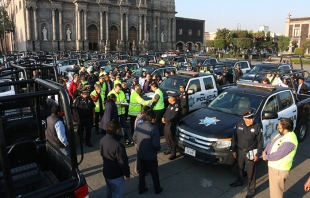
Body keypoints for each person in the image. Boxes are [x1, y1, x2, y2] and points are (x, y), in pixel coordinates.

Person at [230, 109, 263, 198]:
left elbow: (260, 142)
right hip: (240, 151)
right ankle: (239, 181)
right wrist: (233, 150)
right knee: (240, 168)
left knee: (251, 172)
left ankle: (251, 191)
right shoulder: (238, 125)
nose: (252, 120)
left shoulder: (257, 127)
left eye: (252, 118)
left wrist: (257, 154)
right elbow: (234, 138)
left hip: (251, 152)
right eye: (249, 118)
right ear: (244, 118)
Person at [263, 118, 298, 198]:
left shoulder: (290, 140)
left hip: (279, 170)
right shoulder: (282, 134)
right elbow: (271, 143)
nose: (278, 128)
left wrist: (266, 157)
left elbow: (278, 154)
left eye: (279, 127)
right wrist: (265, 151)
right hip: (275, 168)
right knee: (274, 190)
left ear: (285, 129)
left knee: (276, 193)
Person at [133, 110, 163, 195]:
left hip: (141, 154)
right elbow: (156, 144)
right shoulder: (154, 129)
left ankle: (141, 188)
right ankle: (157, 188)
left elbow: (134, 138)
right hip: (150, 156)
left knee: (142, 172)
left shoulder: (139, 126)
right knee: (154, 172)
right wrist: (158, 148)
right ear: (153, 119)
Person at [100, 120, 130, 198]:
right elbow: (123, 162)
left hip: (107, 172)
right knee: (117, 195)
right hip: (116, 175)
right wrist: (127, 174)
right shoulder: (118, 145)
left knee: (109, 192)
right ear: (117, 130)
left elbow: (102, 154)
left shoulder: (102, 140)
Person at [162, 93, 180, 160]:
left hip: (171, 124)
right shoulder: (169, 105)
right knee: (167, 137)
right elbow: (166, 112)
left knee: (171, 139)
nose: (168, 99)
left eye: (169, 98)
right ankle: (169, 149)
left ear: (173, 99)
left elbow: (173, 116)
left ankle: (173, 153)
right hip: (166, 124)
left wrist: (166, 120)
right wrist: (163, 117)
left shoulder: (176, 106)